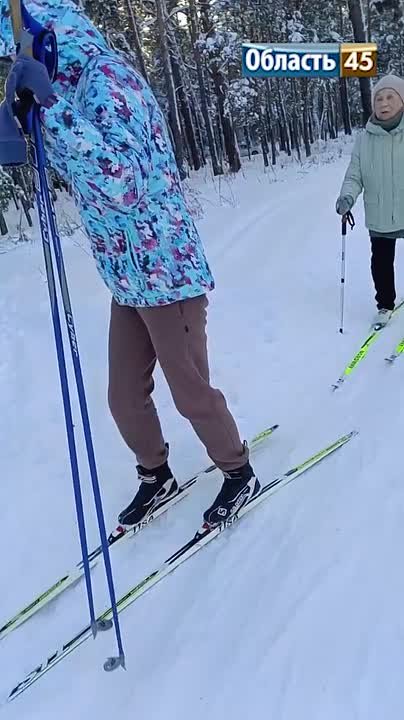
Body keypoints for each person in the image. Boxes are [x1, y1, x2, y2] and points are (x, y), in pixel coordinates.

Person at [0, 0, 260, 529]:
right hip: (127, 277)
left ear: (51, 40)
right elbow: (80, 167)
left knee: (189, 389)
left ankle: (238, 471)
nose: (19, 59)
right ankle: (155, 474)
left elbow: (123, 183)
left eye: (22, 50)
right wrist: (27, 117)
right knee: (123, 397)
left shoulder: (110, 80)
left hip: (168, 269)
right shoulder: (71, 89)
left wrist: (51, 107)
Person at [336, 73, 404, 329]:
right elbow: (355, 174)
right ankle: (385, 305)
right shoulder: (364, 140)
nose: (383, 103)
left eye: (390, 97)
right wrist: (347, 196)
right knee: (381, 263)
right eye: (379, 98)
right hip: (380, 213)